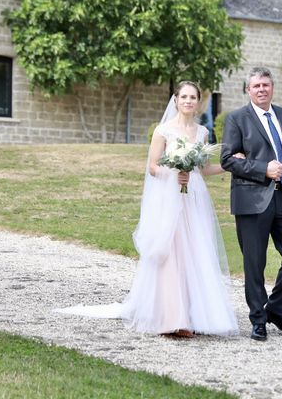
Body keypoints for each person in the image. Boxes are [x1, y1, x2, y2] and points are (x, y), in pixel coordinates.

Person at [56, 81, 238, 338]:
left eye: (192, 97)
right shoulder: (163, 131)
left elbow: (203, 169)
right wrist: (175, 172)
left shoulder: (202, 133)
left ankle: (194, 315)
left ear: (198, 102)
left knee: (194, 254)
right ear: (175, 100)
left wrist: (230, 166)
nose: (188, 101)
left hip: (193, 200)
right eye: (183, 96)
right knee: (171, 255)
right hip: (170, 199)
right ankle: (172, 319)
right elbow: (153, 167)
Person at [220, 66, 282, 341]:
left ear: (272, 87)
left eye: (266, 85)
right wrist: (263, 169)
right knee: (254, 263)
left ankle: (276, 309)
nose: (262, 89)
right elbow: (227, 160)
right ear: (248, 89)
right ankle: (258, 319)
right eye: (256, 86)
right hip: (252, 200)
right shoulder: (237, 119)